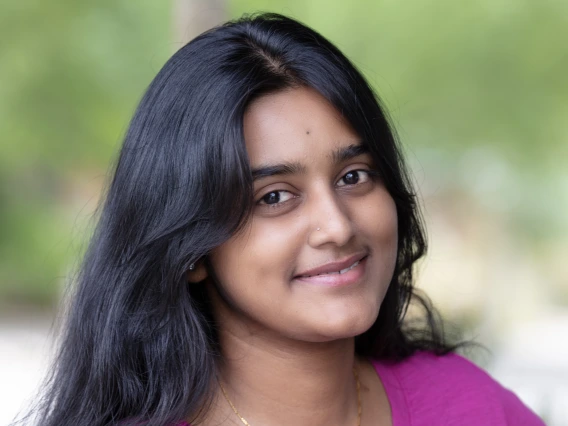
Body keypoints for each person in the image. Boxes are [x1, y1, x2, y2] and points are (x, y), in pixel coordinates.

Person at [24, 13, 544, 426]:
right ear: (192, 253)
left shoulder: (471, 407)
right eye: (274, 197)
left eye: (354, 177)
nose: (337, 227)